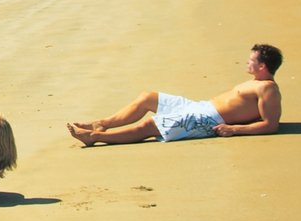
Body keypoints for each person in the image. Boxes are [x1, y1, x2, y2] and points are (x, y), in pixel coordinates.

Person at [67, 44, 283, 146]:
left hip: (208, 120)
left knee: (151, 126)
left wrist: (234, 129)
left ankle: (95, 137)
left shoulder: (268, 89)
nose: (247, 62)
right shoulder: (257, 82)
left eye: (251, 60)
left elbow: (270, 124)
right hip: (200, 107)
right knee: (147, 97)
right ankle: (100, 124)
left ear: (262, 66)